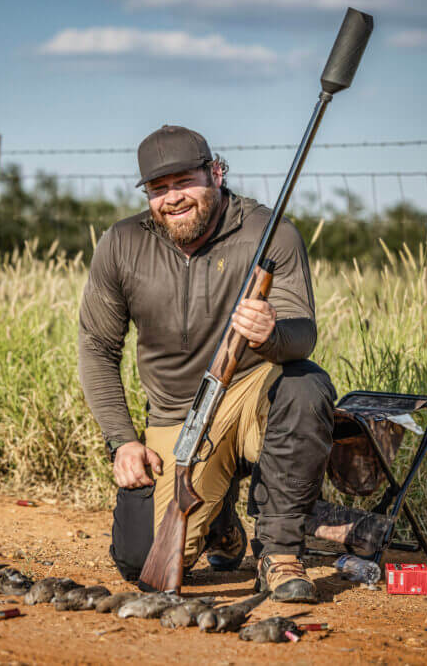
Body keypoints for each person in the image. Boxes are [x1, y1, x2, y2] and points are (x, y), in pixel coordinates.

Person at [77, 125, 336, 603]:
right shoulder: (121, 243)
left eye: (184, 182)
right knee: (140, 564)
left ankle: (279, 551)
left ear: (216, 173)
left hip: (253, 392)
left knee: (307, 385)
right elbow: (97, 347)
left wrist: (272, 334)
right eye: (158, 188)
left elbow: (304, 335)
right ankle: (219, 520)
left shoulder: (271, 232)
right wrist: (123, 441)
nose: (172, 199)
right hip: (180, 416)